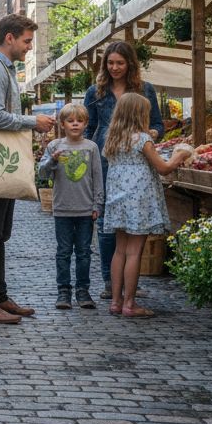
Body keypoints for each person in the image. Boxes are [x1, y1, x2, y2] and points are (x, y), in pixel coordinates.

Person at [0, 13, 57, 325]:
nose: (29, 47)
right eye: (26, 41)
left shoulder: (3, 69)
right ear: (10, 38)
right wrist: (33, 122)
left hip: (1, 159)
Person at [83, 40, 164, 300]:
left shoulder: (146, 90)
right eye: (110, 63)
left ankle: (125, 286)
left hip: (137, 162)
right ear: (104, 65)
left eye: (119, 62)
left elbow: (159, 125)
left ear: (130, 63)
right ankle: (110, 282)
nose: (115, 67)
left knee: (132, 223)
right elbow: (88, 127)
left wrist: (151, 133)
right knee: (108, 221)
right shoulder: (95, 92)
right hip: (104, 160)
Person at [101, 93, 191, 319]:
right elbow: (163, 167)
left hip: (118, 199)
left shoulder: (112, 139)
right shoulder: (142, 140)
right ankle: (130, 304)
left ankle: (115, 301)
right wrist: (180, 155)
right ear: (140, 115)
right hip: (138, 201)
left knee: (119, 250)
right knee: (135, 252)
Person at [37, 104, 103, 311]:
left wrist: (97, 203)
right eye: (70, 120)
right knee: (63, 252)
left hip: (85, 209)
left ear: (85, 124)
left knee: (84, 252)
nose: (75, 124)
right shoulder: (54, 146)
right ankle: (63, 291)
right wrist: (52, 161)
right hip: (62, 208)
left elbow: (97, 178)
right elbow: (43, 174)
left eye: (79, 120)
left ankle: (83, 290)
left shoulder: (91, 147)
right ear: (63, 124)